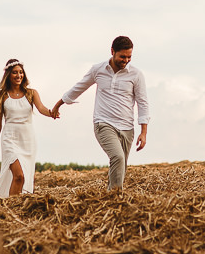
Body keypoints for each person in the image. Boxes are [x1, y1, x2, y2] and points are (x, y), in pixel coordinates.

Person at [51, 36, 150, 190]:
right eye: (122, 56)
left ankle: (110, 202)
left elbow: (143, 103)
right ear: (112, 52)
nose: (126, 60)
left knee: (121, 165)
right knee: (117, 157)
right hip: (103, 123)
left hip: (127, 128)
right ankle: (116, 199)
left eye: (129, 57)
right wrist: (58, 105)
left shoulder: (136, 75)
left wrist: (143, 132)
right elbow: (79, 87)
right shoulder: (98, 70)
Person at [0, 58, 58, 202]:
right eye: (15, 73)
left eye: (21, 72)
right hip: (10, 139)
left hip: (27, 140)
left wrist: (52, 112)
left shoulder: (31, 93)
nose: (19, 76)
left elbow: (42, 108)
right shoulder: (0, 96)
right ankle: (10, 208)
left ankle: (13, 207)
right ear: (8, 75)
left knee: (22, 179)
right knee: (19, 176)